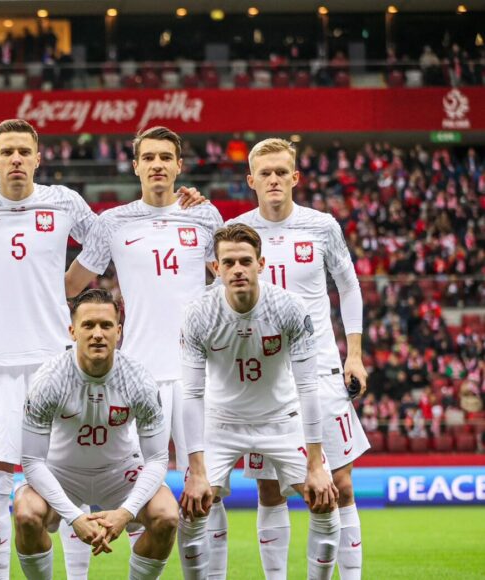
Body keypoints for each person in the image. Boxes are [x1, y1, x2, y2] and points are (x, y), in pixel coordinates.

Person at [65, 126, 224, 572]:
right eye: (148, 157)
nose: (157, 164)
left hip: (196, 375)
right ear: (135, 166)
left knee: (205, 492)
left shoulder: (205, 216)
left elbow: (232, 282)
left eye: (165, 157)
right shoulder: (113, 222)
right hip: (137, 376)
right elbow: (72, 285)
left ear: (179, 166)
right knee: (118, 485)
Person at [0, 118, 104, 579]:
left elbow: (102, 238)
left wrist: (66, 288)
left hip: (55, 361)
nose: (16, 159)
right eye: (7, 152)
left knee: (70, 474)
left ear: (38, 158)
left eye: (23, 151)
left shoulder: (63, 202)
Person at [228, 137, 368, 580]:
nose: (273, 179)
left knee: (340, 485)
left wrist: (355, 355)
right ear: (251, 180)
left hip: (322, 371)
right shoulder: (235, 232)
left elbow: (349, 286)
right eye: (264, 173)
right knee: (271, 491)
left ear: (295, 177)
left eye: (280, 172)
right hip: (263, 380)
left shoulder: (322, 226)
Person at [178, 224, 340, 580]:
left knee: (326, 503)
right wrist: (197, 471)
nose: (237, 269)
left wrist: (315, 464)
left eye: (245, 261)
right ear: (216, 268)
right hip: (221, 422)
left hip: (282, 419)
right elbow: (191, 394)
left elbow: (308, 386)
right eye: (228, 262)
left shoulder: (289, 307)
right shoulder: (198, 313)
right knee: (192, 508)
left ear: (261, 264)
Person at [14, 288, 178, 580]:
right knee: (27, 514)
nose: (98, 334)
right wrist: (74, 517)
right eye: (88, 325)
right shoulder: (48, 380)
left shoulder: (139, 379)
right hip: (62, 473)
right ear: (73, 331)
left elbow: (156, 459)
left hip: (120, 473)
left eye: (106, 325)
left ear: (119, 331)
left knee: (166, 515)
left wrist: (126, 512)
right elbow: (32, 461)